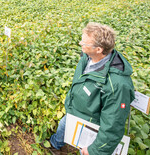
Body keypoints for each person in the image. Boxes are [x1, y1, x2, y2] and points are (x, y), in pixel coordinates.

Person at [43, 22, 135, 155]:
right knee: (63, 126)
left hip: (92, 127)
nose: (80, 44)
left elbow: (113, 126)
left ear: (98, 49)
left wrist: (95, 150)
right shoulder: (87, 57)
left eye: (85, 43)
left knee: (85, 152)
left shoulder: (117, 85)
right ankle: (55, 144)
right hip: (74, 111)